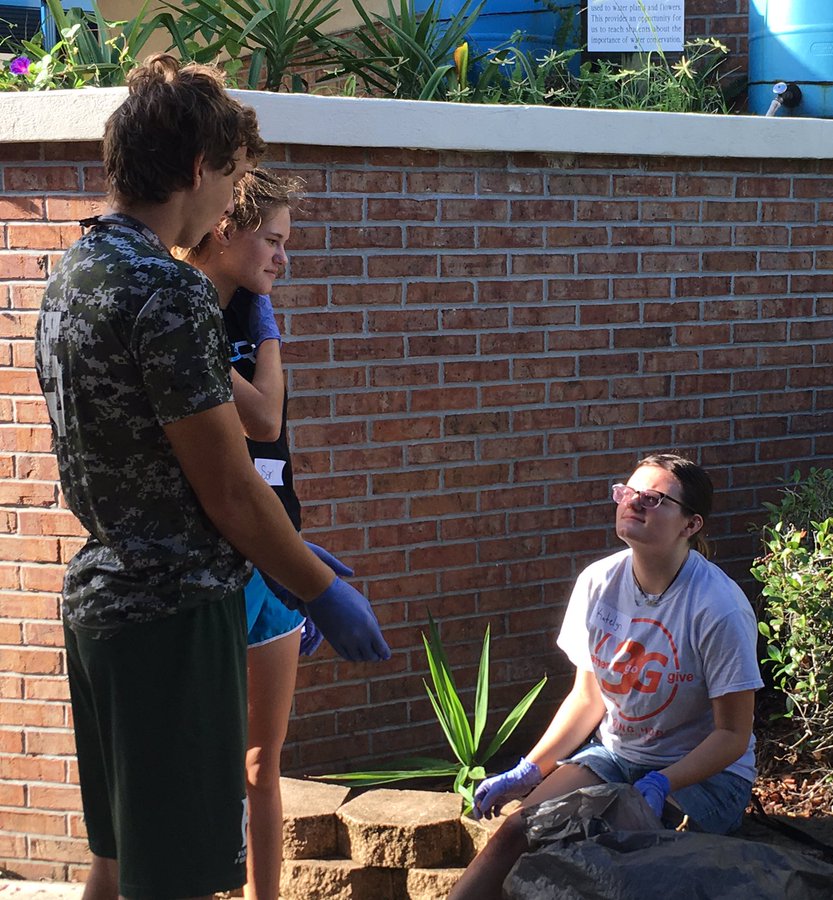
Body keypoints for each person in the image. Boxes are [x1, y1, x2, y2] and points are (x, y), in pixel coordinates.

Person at [34, 55, 389, 900]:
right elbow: (228, 487)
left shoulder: (71, 272)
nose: (234, 198)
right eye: (232, 175)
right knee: (180, 878)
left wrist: (288, 552)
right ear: (197, 168)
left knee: (119, 864)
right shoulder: (168, 291)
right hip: (172, 617)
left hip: (101, 603)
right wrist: (312, 584)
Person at [449, 453, 763, 900]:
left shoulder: (718, 608)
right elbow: (587, 697)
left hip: (704, 778)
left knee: (607, 854)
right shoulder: (598, 582)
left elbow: (733, 734)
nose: (633, 503)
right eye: (627, 492)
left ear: (690, 526)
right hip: (616, 757)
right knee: (518, 831)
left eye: (652, 499)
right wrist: (528, 769)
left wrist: (663, 782)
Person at [179, 167, 322, 900]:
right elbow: (261, 418)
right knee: (202, 760)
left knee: (263, 762)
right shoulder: (180, 313)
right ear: (225, 229)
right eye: (272, 238)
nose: (282, 257)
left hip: (273, 557)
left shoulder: (248, 313)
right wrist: (264, 334)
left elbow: (272, 442)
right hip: (205, 565)